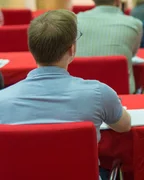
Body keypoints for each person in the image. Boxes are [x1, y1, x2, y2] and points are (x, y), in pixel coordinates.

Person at [0, 10, 131, 180]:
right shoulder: (99, 93)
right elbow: (124, 126)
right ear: (72, 49)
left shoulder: (2, 100)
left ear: (31, 49)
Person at [77, 0, 143, 93]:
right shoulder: (134, 24)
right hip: (121, 98)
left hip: (80, 94)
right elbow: (132, 54)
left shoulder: (73, 22)